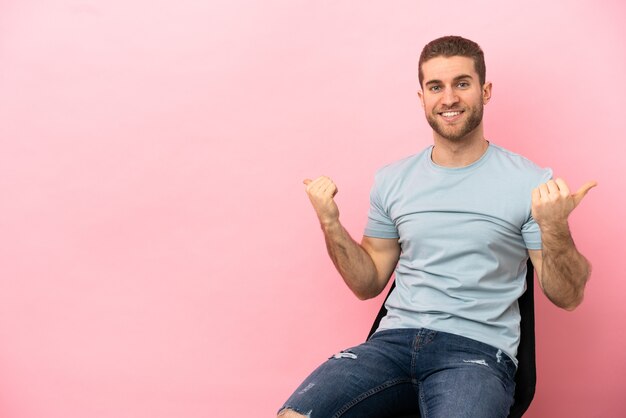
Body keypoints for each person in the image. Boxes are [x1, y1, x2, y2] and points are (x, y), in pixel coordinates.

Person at [278, 35, 596, 418]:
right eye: (436, 87)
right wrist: (330, 223)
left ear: (485, 90)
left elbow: (568, 296)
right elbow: (367, 284)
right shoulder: (393, 180)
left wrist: (555, 227)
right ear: (422, 97)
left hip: (475, 352)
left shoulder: (530, 183)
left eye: (462, 84)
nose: (449, 98)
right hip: (390, 346)